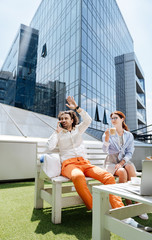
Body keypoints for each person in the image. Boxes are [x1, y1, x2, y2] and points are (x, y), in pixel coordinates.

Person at [48, 96, 124, 210]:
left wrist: (77, 108)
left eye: (66, 118)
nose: (63, 120)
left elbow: (88, 120)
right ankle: (95, 209)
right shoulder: (58, 133)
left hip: (85, 164)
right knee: (78, 176)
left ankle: (119, 209)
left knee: (108, 177)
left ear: (72, 120)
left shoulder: (78, 129)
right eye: (61, 118)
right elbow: (50, 146)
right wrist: (56, 132)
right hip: (69, 165)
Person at [102, 110, 148, 220]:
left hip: (124, 161)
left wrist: (122, 162)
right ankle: (127, 202)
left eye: (115, 118)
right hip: (111, 161)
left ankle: (137, 203)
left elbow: (130, 152)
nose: (113, 120)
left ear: (122, 119)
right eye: (112, 118)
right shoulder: (108, 133)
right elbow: (105, 150)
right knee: (122, 172)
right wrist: (107, 138)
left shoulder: (129, 135)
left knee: (129, 167)